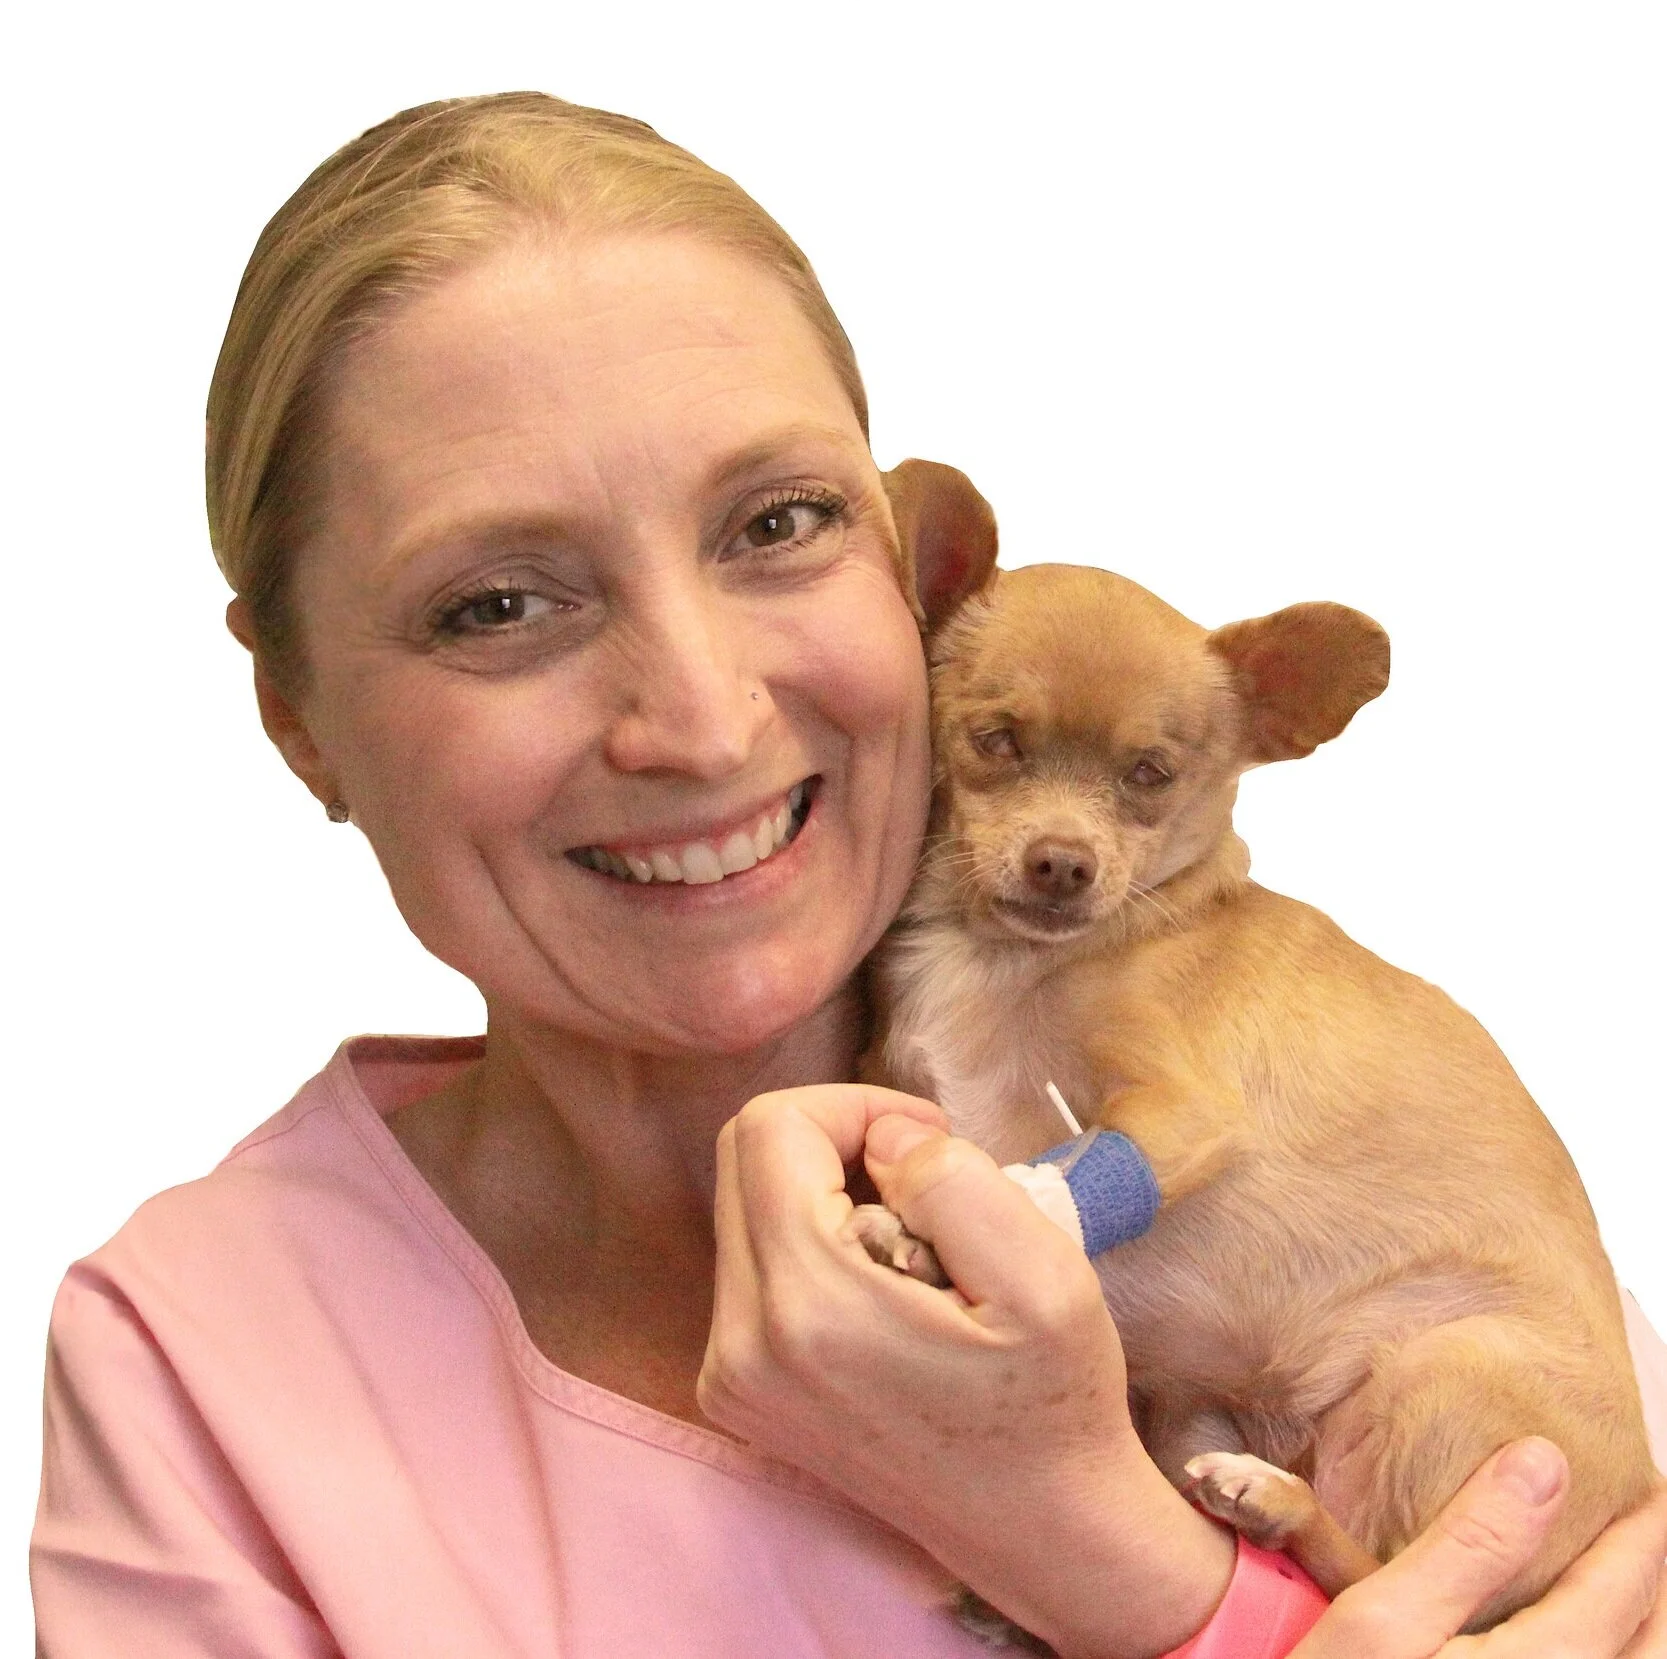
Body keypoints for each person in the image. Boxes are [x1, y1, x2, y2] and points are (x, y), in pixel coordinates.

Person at [30, 92, 1667, 1658]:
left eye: (776, 523)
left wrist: (1125, 1561)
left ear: (907, 579)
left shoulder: (1385, 1178)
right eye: (497, 605)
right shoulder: (199, 1365)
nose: (702, 720)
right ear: (296, 718)